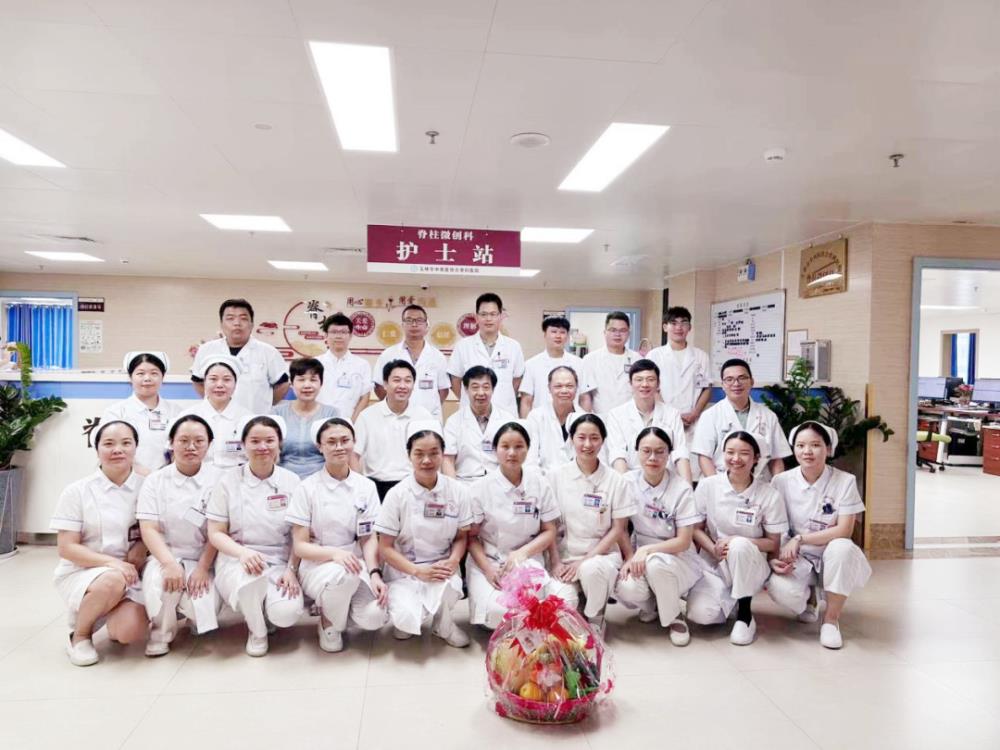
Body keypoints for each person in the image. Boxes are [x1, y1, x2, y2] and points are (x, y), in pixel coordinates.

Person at [287, 417, 390, 653]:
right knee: (344, 576)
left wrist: (374, 573)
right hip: (317, 564)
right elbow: (300, 546)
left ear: (354, 442)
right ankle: (329, 624)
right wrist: (335, 554)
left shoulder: (365, 486)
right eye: (331, 442)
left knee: (375, 617)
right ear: (319, 446)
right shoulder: (307, 488)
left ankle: (338, 608)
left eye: (345, 440)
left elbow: (367, 538)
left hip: (354, 562)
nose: (339, 447)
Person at [51, 420, 149, 666]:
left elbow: (156, 530)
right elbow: (67, 548)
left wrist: (142, 546)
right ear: (97, 450)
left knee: (127, 633)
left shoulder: (148, 487)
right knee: (112, 580)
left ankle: (102, 607)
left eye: (126, 443)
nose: (118, 450)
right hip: (85, 569)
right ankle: (80, 635)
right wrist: (113, 564)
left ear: (135, 448)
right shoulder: (77, 491)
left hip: (132, 573)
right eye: (109, 444)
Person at [768, 422, 872, 649]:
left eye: (815, 445)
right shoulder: (781, 481)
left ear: (829, 448)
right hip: (796, 554)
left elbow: (844, 530)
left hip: (830, 552)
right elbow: (773, 525)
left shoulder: (845, 481)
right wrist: (778, 554)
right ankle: (810, 599)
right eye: (800, 445)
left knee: (842, 547)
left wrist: (800, 539)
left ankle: (831, 621)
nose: (807, 451)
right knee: (780, 590)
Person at [207, 415, 303, 657]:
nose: (263, 447)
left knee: (286, 614)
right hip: (236, 558)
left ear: (280, 444)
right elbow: (215, 533)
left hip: (279, 561)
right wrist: (242, 553)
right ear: (243, 444)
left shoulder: (291, 481)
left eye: (269, 440)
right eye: (255, 441)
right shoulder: (227, 481)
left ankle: (264, 611)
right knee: (250, 583)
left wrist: (291, 569)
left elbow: (300, 534)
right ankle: (257, 630)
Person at [374, 421, 473, 647]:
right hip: (404, 570)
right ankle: (409, 614)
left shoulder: (458, 491)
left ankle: (444, 624)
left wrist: (453, 561)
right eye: (419, 453)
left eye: (434, 453)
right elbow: (385, 547)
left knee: (449, 588)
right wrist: (417, 571)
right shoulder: (397, 494)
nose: (426, 460)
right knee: (405, 622)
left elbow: (461, 536)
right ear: (409, 455)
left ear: (442, 454)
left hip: (441, 566)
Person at [686, 431, 788, 645]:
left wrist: (735, 540)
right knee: (701, 614)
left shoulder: (768, 494)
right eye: (730, 452)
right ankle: (731, 600)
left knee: (739, 546)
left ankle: (745, 614)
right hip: (716, 561)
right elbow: (695, 529)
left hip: (751, 562)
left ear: (756, 458)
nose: (736, 458)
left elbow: (773, 543)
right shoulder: (708, 486)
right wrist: (713, 548)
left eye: (744, 453)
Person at [466, 421, 566, 629]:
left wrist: (522, 553)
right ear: (495, 450)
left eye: (519, 446)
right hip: (490, 560)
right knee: (498, 613)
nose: (512, 453)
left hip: (527, 560)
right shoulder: (479, 488)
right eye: (505, 446)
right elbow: (471, 536)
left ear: (528, 449)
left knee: (531, 609)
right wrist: (488, 570)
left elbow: (549, 530)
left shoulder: (539, 484)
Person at [137, 415, 221, 656]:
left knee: (200, 607)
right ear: (171, 443)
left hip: (205, 557)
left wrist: (203, 568)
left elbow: (219, 531)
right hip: (166, 554)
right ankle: (160, 633)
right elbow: (149, 528)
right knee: (165, 585)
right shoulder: (155, 481)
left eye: (199, 441)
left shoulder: (219, 479)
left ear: (209, 444)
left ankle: (190, 614)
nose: (191, 446)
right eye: (183, 440)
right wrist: (169, 563)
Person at [548, 413, 636, 633]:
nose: (587, 444)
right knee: (562, 608)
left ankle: (595, 618)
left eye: (594, 438)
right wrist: (556, 562)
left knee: (592, 570)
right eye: (581, 437)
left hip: (601, 556)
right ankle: (580, 600)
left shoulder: (616, 481)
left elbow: (618, 529)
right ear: (571, 439)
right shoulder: (555, 476)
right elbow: (548, 526)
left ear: (603, 441)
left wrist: (585, 560)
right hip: (565, 556)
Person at [615, 427, 703, 646]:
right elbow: (621, 528)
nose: (652, 457)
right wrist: (629, 556)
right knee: (625, 587)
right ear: (636, 452)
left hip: (677, 557)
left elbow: (684, 541)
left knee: (656, 563)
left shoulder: (681, 488)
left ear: (669, 454)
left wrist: (646, 551)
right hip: (640, 554)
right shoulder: (627, 482)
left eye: (660, 451)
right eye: (646, 451)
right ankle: (653, 605)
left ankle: (674, 617)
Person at [691, 358, 791, 481]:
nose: (736, 384)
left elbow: (776, 458)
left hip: (760, 484)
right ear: (723, 385)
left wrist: (777, 487)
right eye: (729, 379)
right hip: (722, 480)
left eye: (742, 378)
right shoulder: (710, 416)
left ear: (752, 382)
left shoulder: (768, 416)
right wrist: (717, 486)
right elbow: (704, 457)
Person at [352, 359, 436, 499]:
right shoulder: (367, 416)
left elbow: (434, 454)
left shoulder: (424, 416)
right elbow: (353, 455)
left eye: (408, 381)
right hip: (376, 487)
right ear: (385, 384)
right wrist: (361, 486)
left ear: (413, 385)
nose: (402, 386)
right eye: (396, 380)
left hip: (413, 486)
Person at [190, 298, 289, 414]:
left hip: (255, 419)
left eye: (243, 318)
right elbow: (198, 381)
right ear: (221, 324)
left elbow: (283, 384)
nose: (237, 323)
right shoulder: (206, 350)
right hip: (216, 419)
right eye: (230, 318)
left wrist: (264, 405)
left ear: (251, 324)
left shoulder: (268, 352)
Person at [606, 359, 692, 484]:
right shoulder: (616, 415)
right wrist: (625, 488)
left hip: (666, 480)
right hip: (631, 480)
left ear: (658, 384)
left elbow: (680, 453)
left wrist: (687, 488)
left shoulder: (672, 414)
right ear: (630, 383)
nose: (645, 384)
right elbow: (618, 455)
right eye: (639, 380)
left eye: (650, 379)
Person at [103, 350, 181, 475]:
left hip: (167, 479)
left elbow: (180, 448)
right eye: (140, 373)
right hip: (126, 478)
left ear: (163, 377)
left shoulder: (176, 412)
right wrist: (144, 473)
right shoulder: (116, 412)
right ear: (130, 377)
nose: (147, 378)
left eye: (154, 373)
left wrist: (165, 475)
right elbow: (111, 449)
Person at [448, 292, 525, 416]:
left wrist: (502, 396)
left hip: (504, 411)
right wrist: (469, 398)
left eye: (493, 314)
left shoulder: (513, 346)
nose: (488, 319)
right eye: (483, 314)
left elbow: (516, 380)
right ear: (476, 317)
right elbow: (455, 380)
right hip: (471, 412)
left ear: (501, 316)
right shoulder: (463, 346)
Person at [373, 304, 450, 421]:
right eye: (409, 320)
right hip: (396, 417)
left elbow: (443, 390)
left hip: (428, 419)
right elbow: (379, 387)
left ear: (426, 325)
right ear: (402, 325)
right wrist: (393, 406)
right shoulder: (388, 354)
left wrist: (429, 407)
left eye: (419, 320)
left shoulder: (438, 356)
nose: (414, 324)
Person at [442, 366, 517, 482]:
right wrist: (453, 489)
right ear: (466, 389)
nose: (481, 393)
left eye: (486, 387)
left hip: (499, 483)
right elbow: (447, 460)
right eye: (475, 387)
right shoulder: (454, 422)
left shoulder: (507, 420)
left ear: (493, 389)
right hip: (465, 483)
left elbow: (514, 457)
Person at [647, 306, 711, 440]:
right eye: (674, 323)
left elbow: (707, 388)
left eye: (684, 323)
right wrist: (671, 416)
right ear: (665, 327)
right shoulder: (654, 356)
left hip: (693, 422)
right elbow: (651, 389)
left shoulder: (701, 356)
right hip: (663, 420)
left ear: (690, 327)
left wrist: (695, 413)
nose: (679, 327)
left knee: (691, 452)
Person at [271, 357, 339, 479]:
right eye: (301, 380)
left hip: (322, 478)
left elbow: (336, 453)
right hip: (284, 477)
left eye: (313, 380)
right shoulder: (277, 413)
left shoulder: (331, 414)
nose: (307, 385)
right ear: (291, 383)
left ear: (321, 383)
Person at [179, 355, 252, 468]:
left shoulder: (247, 418)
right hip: (198, 476)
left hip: (237, 476)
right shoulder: (188, 417)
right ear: (204, 382)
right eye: (213, 379)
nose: (219, 385)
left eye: (227, 379)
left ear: (235, 383)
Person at [525, 366, 597, 472]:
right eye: (558, 386)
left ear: (577, 388)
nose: (564, 390)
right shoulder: (536, 417)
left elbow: (591, 459)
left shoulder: (586, 420)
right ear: (549, 388)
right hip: (544, 478)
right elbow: (530, 461)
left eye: (569, 386)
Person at [518, 316, 593, 416]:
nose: (558, 336)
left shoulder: (579, 364)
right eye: (553, 332)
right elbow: (526, 401)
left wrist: (584, 421)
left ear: (567, 336)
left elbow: (585, 398)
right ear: (545, 335)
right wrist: (526, 424)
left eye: (562, 332)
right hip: (541, 420)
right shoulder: (531, 364)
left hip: (572, 419)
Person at [581, 312, 641, 417]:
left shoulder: (637, 359)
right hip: (601, 418)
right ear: (605, 332)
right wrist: (587, 419)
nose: (617, 334)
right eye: (613, 330)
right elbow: (586, 395)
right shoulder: (590, 359)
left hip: (630, 418)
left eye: (623, 330)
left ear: (628, 333)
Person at [316, 313, 372, 422]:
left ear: (350, 335)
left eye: (343, 332)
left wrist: (352, 424)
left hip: (349, 422)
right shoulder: (315, 363)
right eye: (334, 332)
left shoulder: (362, 365)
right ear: (326, 335)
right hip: (318, 423)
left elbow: (365, 398)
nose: (339, 336)